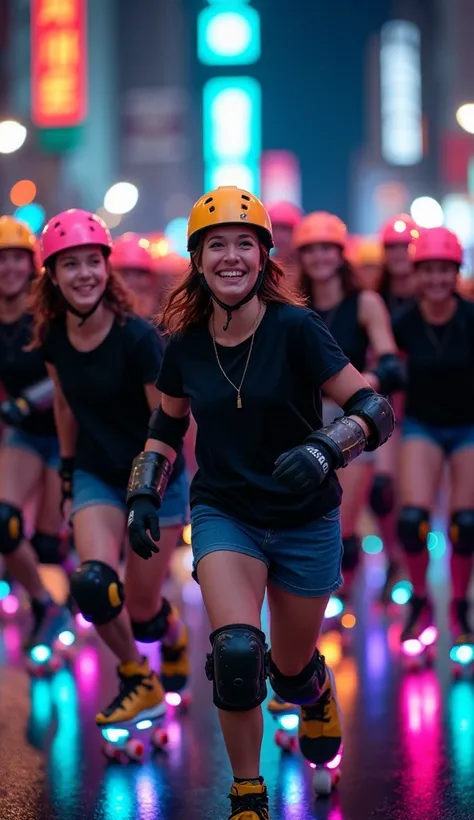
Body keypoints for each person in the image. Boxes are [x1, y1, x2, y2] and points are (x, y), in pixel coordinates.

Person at [125, 186, 394, 820]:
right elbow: (166, 428)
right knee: (238, 654)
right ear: (197, 259)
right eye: (216, 245)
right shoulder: (184, 342)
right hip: (226, 513)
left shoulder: (298, 328)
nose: (230, 257)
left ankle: (315, 692)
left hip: (305, 518)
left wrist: (328, 448)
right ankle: (248, 793)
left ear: (265, 256)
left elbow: (372, 408)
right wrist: (144, 490)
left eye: (244, 243)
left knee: (292, 670)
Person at [28, 209, 190, 729]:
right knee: (94, 584)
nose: (83, 274)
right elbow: (64, 406)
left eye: (92, 262)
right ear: (52, 275)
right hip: (99, 472)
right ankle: (136, 677)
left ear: (107, 268)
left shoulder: (139, 338)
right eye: (69, 264)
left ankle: (171, 635)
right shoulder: (53, 336)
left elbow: (166, 422)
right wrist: (70, 473)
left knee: (142, 613)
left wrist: (147, 488)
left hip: (158, 477)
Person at [293, 211, 404, 612]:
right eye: (312, 250)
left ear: (341, 254)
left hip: (351, 420)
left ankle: (339, 602)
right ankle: (324, 600)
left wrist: (355, 385)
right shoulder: (293, 305)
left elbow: (391, 366)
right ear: (301, 257)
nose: (320, 258)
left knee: (344, 523)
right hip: (304, 422)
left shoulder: (365, 302)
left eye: (327, 249)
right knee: (307, 523)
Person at [393, 226, 474, 653]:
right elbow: (382, 371)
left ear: (456, 273)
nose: (438, 280)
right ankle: (421, 600)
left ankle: (461, 608)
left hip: (467, 428)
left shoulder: (469, 318)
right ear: (417, 274)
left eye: (446, 271)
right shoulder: (403, 322)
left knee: (465, 526)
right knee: (411, 523)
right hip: (421, 424)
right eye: (429, 271)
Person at [0, 215, 69, 651]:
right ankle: (45, 603)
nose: (8, 268)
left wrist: (27, 401)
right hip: (25, 436)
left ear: (32, 265)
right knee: (3, 523)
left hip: (64, 432)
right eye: (0, 260)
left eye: (16, 259)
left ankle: (71, 604)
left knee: (48, 543)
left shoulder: (48, 310)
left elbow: (68, 372)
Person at [369, 214, 421, 602]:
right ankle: (394, 557)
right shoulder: (377, 298)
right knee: (383, 492)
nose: (399, 255)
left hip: (428, 408)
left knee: (421, 504)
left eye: (405, 247)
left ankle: (415, 566)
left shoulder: (437, 294)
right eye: (392, 249)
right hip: (389, 408)